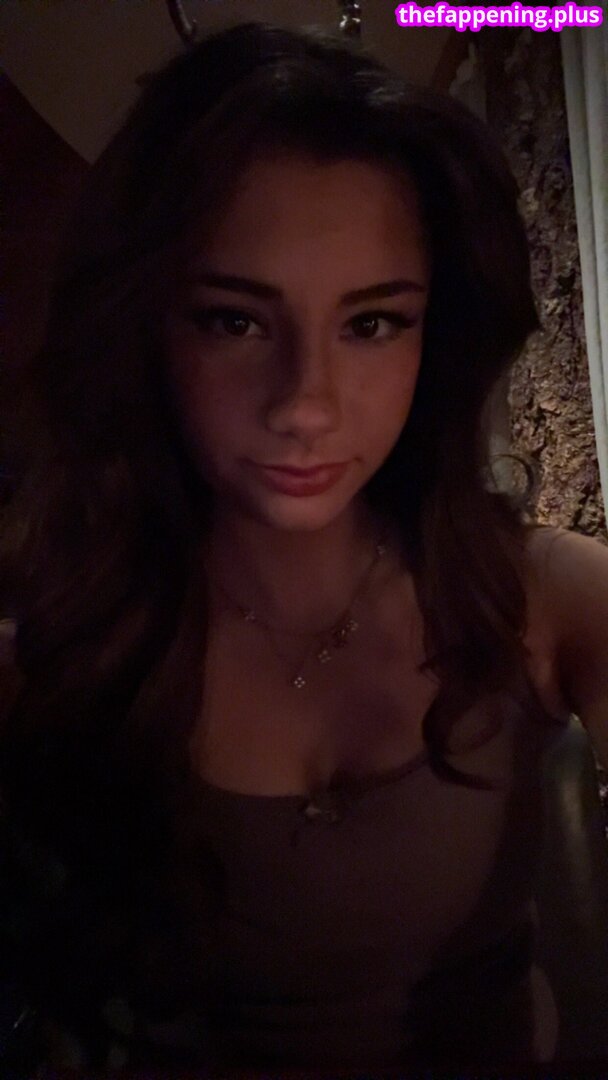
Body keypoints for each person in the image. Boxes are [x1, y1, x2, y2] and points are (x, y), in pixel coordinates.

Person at [1, 19, 607, 1078]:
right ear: (148, 328)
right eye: (235, 321)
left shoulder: (544, 594)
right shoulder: (57, 643)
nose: (304, 407)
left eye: (370, 325)